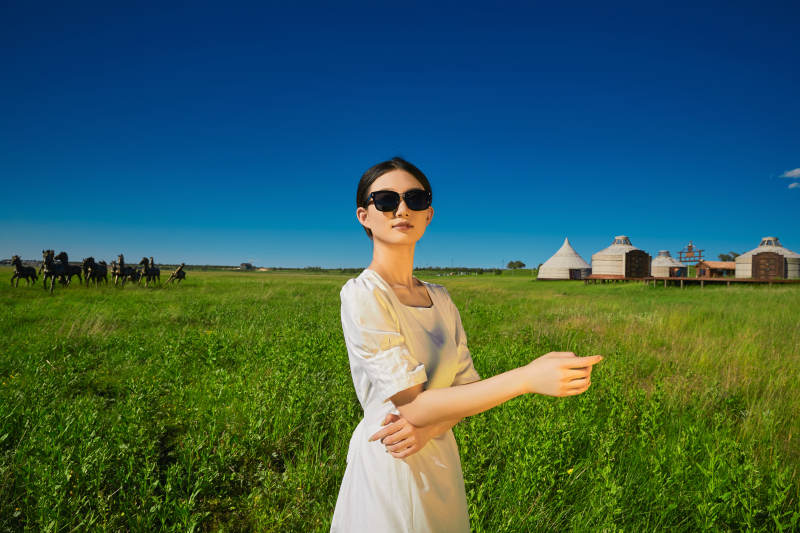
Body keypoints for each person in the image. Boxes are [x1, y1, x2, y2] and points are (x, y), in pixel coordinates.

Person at [330, 157, 603, 532]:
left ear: (429, 214)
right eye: (386, 201)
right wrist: (526, 378)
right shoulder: (364, 294)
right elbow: (412, 404)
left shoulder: (440, 297)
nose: (403, 209)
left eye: (416, 198)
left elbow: (468, 390)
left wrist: (428, 429)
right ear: (364, 215)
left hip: (438, 454)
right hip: (392, 457)